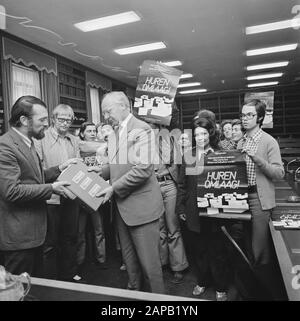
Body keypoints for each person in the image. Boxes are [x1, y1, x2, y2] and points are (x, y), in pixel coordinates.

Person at [94, 91, 165, 294]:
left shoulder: (143, 129)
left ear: (124, 106)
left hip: (142, 210)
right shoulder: (115, 133)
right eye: (104, 112)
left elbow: (143, 169)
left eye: (108, 111)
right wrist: (99, 171)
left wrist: (113, 187)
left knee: (150, 268)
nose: (106, 116)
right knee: (131, 265)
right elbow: (117, 165)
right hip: (121, 209)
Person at [0, 96, 73, 276]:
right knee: (18, 291)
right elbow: (11, 191)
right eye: (42, 120)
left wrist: (59, 169)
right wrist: (52, 188)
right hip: (19, 237)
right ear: (24, 120)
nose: (47, 124)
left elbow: (34, 179)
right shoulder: (5, 146)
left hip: (35, 233)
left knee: (34, 289)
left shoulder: (29, 142)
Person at [176, 116, 232, 301]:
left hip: (215, 211)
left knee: (217, 251)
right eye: (197, 134)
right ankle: (201, 281)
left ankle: (220, 286)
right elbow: (182, 184)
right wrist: (181, 208)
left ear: (211, 133)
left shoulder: (220, 153)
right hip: (193, 210)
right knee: (198, 251)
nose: (200, 137)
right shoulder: (188, 155)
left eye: (204, 133)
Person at [237, 99, 285, 300]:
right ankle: (251, 291)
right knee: (244, 246)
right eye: (243, 114)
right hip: (239, 198)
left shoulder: (268, 141)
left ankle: (270, 294)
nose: (245, 118)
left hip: (258, 198)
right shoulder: (240, 141)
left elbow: (279, 173)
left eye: (250, 115)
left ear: (260, 118)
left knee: (260, 252)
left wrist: (258, 159)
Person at [35, 104, 82, 282]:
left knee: (70, 237)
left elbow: (78, 166)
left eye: (69, 119)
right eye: (61, 119)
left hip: (71, 195)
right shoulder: (41, 139)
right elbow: (39, 172)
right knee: (50, 242)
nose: (65, 123)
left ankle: (69, 273)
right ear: (53, 119)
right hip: (51, 197)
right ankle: (51, 279)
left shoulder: (74, 140)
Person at [150, 123, 189, 283]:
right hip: (152, 185)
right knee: (158, 227)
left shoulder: (170, 138)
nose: (151, 127)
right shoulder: (141, 142)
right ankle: (162, 262)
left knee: (173, 226)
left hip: (169, 184)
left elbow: (173, 161)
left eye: (154, 125)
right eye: (148, 125)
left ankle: (178, 266)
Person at [77, 122, 107, 269]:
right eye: (89, 131)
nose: (93, 133)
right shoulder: (77, 146)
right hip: (80, 193)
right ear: (82, 133)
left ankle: (101, 260)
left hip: (96, 192)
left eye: (94, 130)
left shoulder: (102, 149)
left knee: (98, 230)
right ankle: (80, 261)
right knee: (80, 232)